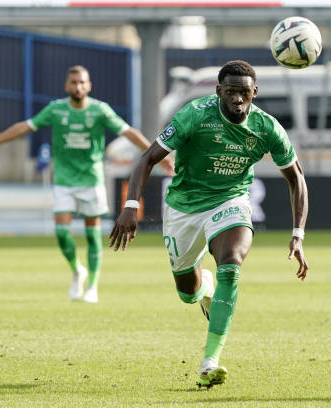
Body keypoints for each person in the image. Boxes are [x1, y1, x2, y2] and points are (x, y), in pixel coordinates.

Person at [108, 60, 309, 388]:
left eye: (244, 93)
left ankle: (209, 361)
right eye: (231, 92)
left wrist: (297, 234)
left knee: (231, 262)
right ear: (219, 92)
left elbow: (296, 178)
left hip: (231, 201)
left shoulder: (268, 128)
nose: (238, 100)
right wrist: (131, 205)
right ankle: (205, 291)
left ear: (254, 93)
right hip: (183, 208)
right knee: (187, 291)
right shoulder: (194, 115)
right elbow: (147, 158)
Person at [0, 65, 173, 303]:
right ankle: (78, 270)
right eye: (74, 82)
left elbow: (128, 132)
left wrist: (157, 155)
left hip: (91, 179)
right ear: (67, 86)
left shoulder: (100, 110)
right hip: (64, 180)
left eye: (82, 82)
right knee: (61, 232)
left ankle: (93, 286)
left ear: (89, 86)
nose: (78, 86)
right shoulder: (56, 110)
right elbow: (25, 126)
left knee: (92, 234)